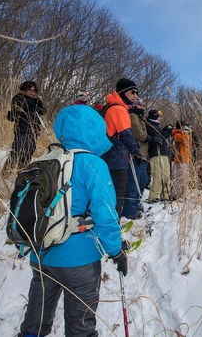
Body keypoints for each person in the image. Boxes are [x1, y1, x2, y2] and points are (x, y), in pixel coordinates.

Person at [18, 105, 127, 337]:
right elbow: (105, 215)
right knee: (80, 326)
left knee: (35, 321)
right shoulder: (93, 164)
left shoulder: (46, 159)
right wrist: (116, 251)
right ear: (95, 130)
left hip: (42, 254)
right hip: (79, 258)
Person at [100, 78, 143, 217]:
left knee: (110, 195)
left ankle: (108, 227)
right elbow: (126, 134)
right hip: (117, 160)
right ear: (124, 92)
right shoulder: (118, 109)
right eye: (133, 92)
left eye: (137, 92)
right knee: (116, 197)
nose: (135, 95)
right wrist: (136, 152)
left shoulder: (112, 107)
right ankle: (112, 232)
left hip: (109, 156)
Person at [4, 80, 45, 171]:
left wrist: (39, 104)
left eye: (34, 91)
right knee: (17, 152)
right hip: (22, 130)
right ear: (24, 89)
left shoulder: (34, 101)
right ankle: (5, 173)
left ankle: (21, 172)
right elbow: (20, 108)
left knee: (28, 153)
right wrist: (32, 103)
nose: (32, 92)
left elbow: (42, 112)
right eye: (30, 90)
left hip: (33, 131)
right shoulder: (18, 98)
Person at [123, 99, 149, 219]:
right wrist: (148, 137)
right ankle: (130, 211)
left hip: (142, 155)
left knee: (143, 180)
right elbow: (140, 135)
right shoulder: (133, 116)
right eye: (139, 104)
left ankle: (136, 203)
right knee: (134, 183)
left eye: (143, 105)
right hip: (135, 155)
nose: (142, 107)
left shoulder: (140, 118)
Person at [145, 109, 171, 203]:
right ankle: (153, 196)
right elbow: (159, 137)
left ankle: (165, 195)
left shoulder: (156, 125)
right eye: (159, 116)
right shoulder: (150, 125)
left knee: (166, 175)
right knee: (158, 176)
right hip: (156, 153)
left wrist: (165, 130)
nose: (160, 118)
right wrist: (167, 133)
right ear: (155, 116)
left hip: (163, 152)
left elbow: (160, 135)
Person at [171, 120, 192, 200]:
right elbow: (185, 140)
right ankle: (176, 195)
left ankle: (182, 195)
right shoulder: (177, 134)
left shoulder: (184, 134)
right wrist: (186, 132)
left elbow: (189, 143)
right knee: (179, 178)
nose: (186, 127)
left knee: (184, 178)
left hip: (185, 159)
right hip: (179, 159)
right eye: (184, 126)